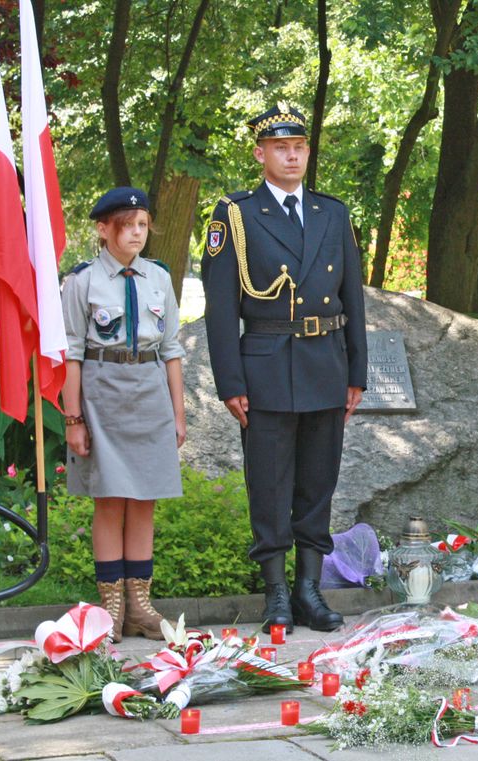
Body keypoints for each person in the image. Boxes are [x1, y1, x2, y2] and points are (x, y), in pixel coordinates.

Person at [201, 103, 367, 633]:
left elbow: (353, 297)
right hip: (267, 367)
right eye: (280, 148)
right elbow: (221, 307)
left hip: (326, 364)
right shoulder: (236, 215)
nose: (291, 156)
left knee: (318, 484)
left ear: (307, 152)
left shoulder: (331, 213)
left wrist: (356, 373)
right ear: (260, 154)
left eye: (298, 147)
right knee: (270, 486)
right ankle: (275, 592)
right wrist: (230, 381)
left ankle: (309, 591)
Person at [61, 187, 186, 641]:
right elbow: (72, 353)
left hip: (150, 393)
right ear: (103, 229)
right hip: (103, 394)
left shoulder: (158, 277)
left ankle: (140, 605)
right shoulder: (82, 281)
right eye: (127, 225)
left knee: (145, 499)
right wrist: (73, 418)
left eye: (143, 225)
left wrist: (178, 413)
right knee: (110, 499)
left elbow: (171, 349)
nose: (137, 233)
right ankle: (111, 605)